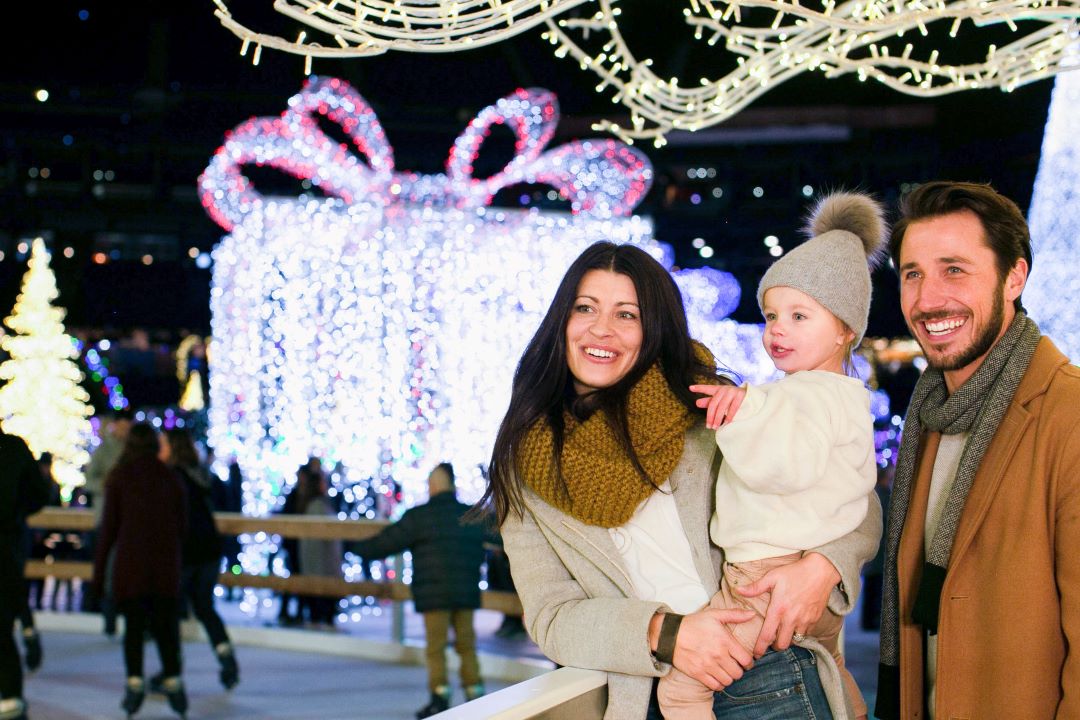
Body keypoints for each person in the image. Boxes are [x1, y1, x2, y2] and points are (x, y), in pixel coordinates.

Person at [481, 241, 882, 720]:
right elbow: (551, 617)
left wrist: (823, 567)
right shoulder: (524, 464)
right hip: (650, 695)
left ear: (653, 328)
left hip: (769, 672)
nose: (601, 329)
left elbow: (848, 490)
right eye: (584, 308)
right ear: (560, 321)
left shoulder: (706, 406)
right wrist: (666, 632)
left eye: (627, 314)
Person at [660, 192, 885, 720]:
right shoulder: (842, 396)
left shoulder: (806, 395)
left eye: (799, 315)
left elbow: (784, 468)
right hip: (815, 584)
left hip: (763, 578)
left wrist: (738, 418)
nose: (777, 329)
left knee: (682, 690)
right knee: (830, 670)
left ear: (845, 330)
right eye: (771, 315)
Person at [876, 181, 1080, 719]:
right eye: (912, 274)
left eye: (955, 270)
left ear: (1014, 277)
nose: (927, 299)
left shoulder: (1068, 413)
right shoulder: (932, 413)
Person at [355, 463, 490, 718]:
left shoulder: (420, 517)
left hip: (434, 595)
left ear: (435, 485)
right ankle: (474, 693)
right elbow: (500, 532)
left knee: (436, 647)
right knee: (467, 645)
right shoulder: (470, 515)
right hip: (465, 592)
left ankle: (440, 697)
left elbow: (388, 541)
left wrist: (354, 549)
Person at [93, 423, 189, 719]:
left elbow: (108, 531)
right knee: (165, 629)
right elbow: (183, 527)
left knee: (133, 630)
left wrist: (98, 578)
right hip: (164, 571)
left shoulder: (120, 479)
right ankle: (173, 682)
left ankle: (134, 684)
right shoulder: (169, 479)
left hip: (131, 570)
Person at [157, 428, 240, 692]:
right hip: (210, 550)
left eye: (164, 444)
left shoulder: (172, 478)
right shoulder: (205, 475)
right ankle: (226, 657)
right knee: (204, 606)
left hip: (186, 551)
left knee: (169, 611)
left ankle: (172, 672)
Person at [0, 432, 50, 720]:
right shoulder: (13, 448)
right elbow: (38, 495)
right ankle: (11, 700)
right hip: (7, 543)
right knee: (2, 626)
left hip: (6, 542)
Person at [84, 408, 133, 635]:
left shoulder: (134, 451)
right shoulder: (104, 450)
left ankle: (126, 615)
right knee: (106, 568)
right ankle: (108, 614)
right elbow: (89, 481)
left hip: (129, 520)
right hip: (105, 517)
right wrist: (106, 484)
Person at [294, 462, 342, 627]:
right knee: (322, 591)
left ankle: (319, 618)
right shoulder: (317, 506)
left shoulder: (316, 504)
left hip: (321, 558)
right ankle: (321, 618)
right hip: (321, 558)